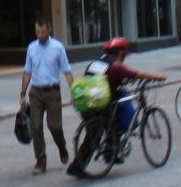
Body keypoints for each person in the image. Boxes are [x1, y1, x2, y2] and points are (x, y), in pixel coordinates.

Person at [67, 38, 165, 177]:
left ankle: (109, 154)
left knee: (97, 133)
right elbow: (137, 74)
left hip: (88, 102)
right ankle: (82, 165)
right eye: (123, 55)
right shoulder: (116, 66)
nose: (123, 58)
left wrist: (122, 80)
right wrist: (159, 76)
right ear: (120, 53)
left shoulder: (96, 63)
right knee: (113, 125)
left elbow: (104, 78)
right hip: (103, 104)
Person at [19, 18, 73, 174]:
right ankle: (40, 160)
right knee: (35, 127)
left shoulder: (57, 47)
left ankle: (61, 146)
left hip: (52, 92)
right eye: (37, 32)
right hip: (36, 92)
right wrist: (22, 94)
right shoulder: (31, 48)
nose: (40, 35)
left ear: (49, 30)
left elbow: (67, 71)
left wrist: (74, 91)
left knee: (54, 126)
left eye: (43, 32)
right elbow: (27, 72)